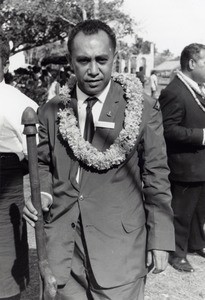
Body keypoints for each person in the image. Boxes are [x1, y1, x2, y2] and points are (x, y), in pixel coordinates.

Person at [23, 19, 174, 300]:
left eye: (101, 59)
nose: (93, 70)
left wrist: (161, 239)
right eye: (83, 60)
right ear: (70, 61)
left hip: (119, 249)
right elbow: (42, 163)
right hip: (64, 250)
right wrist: (41, 192)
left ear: (114, 58)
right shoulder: (50, 110)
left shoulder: (142, 108)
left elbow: (156, 176)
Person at [158, 43, 205, 273]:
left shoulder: (197, 88)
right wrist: (202, 136)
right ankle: (177, 254)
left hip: (199, 164)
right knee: (182, 212)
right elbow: (167, 129)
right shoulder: (174, 91)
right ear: (192, 63)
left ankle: (196, 244)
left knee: (199, 209)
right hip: (184, 165)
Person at [0, 30, 38, 300]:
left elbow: (35, 155)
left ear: (3, 64)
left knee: (5, 263)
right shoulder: (17, 101)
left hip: (5, 193)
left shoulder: (17, 102)